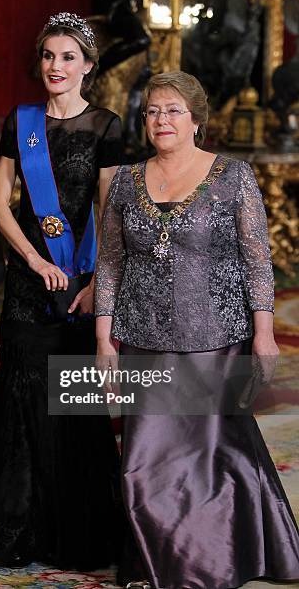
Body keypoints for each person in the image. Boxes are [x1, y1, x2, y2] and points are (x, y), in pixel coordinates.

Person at [95, 71, 299, 588]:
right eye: (152, 111)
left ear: (196, 120)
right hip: (143, 337)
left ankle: (205, 563)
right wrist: (104, 338)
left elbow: (257, 261)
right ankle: (154, 560)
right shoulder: (123, 180)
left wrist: (264, 333)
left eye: (172, 110)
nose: (160, 120)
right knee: (142, 466)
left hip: (216, 337)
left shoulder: (233, 176)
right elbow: (111, 264)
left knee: (209, 462)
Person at [0, 12, 123, 570]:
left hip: (80, 285)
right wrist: (34, 258)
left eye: (68, 57)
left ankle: (74, 530)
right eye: (48, 56)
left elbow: (110, 217)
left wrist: (93, 286)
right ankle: (20, 530)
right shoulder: (21, 121)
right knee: (20, 390)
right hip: (26, 281)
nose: (55, 66)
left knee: (71, 399)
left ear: (87, 66)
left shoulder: (107, 127)